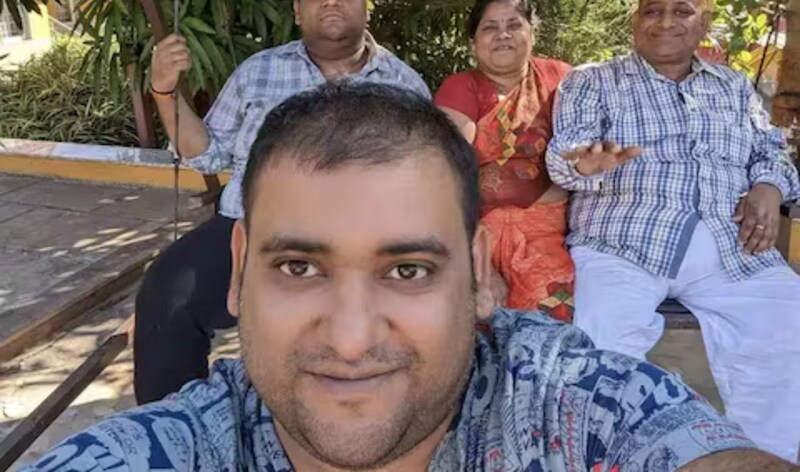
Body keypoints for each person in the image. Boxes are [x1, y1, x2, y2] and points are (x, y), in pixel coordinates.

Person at [22, 84, 797, 472]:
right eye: (298, 266)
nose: (350, 340)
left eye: (408, 269)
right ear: (240, 273)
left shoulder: (569, 404)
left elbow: (668, 438)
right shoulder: (176, 447)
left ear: (480, 275)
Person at [134, 0, 430, 404]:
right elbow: (208, 154)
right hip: (251, 227)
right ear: (297, 10)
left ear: (365, 6)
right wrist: (164, 92)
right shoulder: (258, 72)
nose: (331, 0)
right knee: (167, 292)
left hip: (360, 242)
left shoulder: (404, 85)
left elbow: (420, 182)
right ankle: (173, 429)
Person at [546, 0, 800, 462]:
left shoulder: (733, 87)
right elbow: (565, 152)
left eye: (682, 11)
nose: (665, 21)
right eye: (653, 10)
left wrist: (768, 187)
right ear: (634, 20)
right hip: (624, 242)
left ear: (703, 23)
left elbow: (770, 150)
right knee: (603, 346)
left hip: (731, 245)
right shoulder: (593, 80)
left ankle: (764, 459)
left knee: (790, 321)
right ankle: (607, 460)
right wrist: (585, 162)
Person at [434, 0, 574, 321]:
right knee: (474, 316)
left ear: (532, 34)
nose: (503, 35)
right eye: (490, 27)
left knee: (551, 316)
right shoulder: (461, 87)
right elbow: (447, 171)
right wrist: (477, 259)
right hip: (476, 230)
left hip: (546, 235)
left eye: (513, 25)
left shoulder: (560, 79)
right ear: (474, 42)